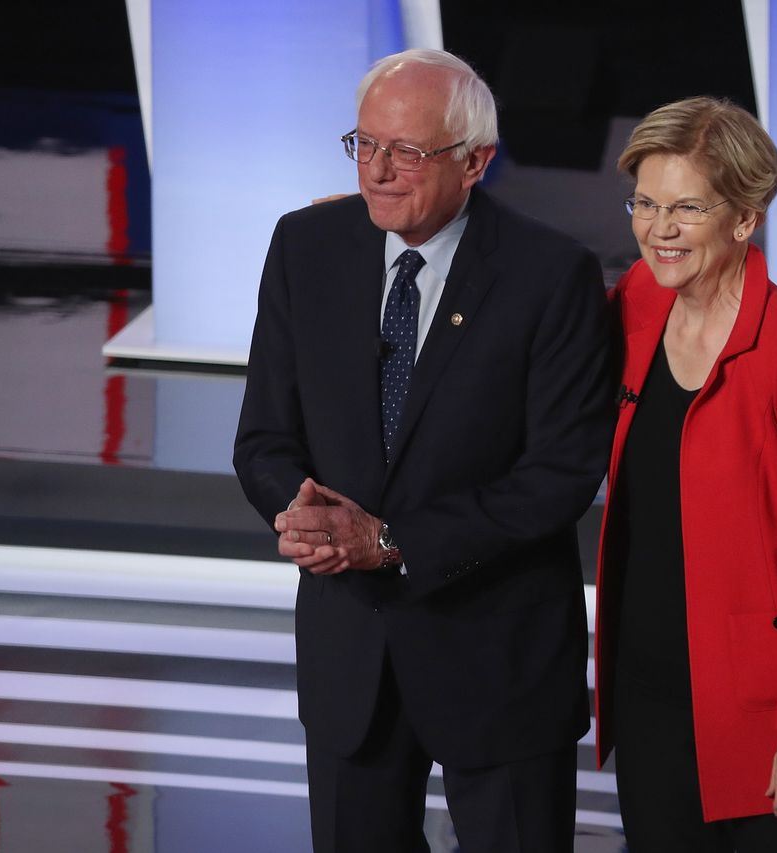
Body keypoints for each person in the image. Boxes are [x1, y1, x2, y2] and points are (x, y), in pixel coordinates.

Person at [233, 49, 614, 853]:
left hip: (497, 659)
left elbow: (560, 475)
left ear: (475, 161)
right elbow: (264, 436)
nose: (378, 171)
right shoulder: (307, 247)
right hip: (351, 664)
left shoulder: (552, 276)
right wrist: (297, 510)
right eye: (365, 145)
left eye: (407, 151)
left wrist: (392, 541)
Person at [593, 97, 777, 851]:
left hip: (766, 711)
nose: (660, 229)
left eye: (687, 208)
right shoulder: (636, 304)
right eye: (646, 204)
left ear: (745, 218)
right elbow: (526, 322)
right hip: (651, 698)